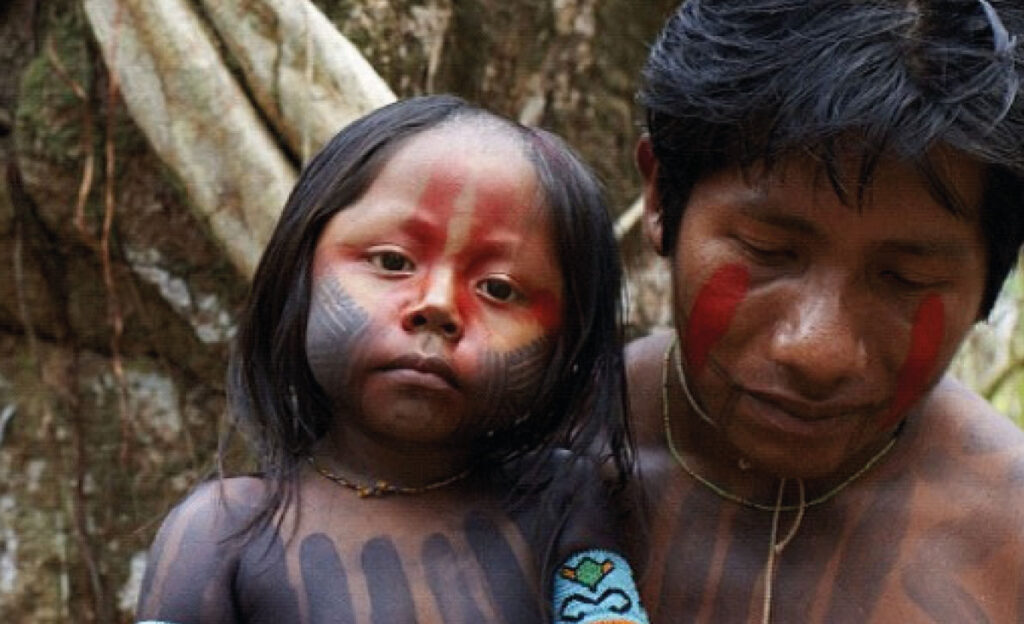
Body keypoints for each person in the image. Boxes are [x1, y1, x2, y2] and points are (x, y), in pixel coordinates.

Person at [134, 95, 649, 624]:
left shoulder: (556, 502)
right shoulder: (223, 530)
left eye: (498, 289)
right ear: (298, 273)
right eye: (392, 261)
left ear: (565, 343)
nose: (438, 305)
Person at [624, 1, 1024, 622]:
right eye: (768, 250)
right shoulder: (512, 453)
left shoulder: (1009, 547)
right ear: (659, 198)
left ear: (988, 284)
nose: (817, 349)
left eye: (906, 279)